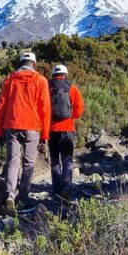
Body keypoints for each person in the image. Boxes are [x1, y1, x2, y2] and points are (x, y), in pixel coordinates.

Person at [0, 51, 51, 215]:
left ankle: (10, 196)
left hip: (12, 125)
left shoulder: (10, 80)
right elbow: (45, 109)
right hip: (32, 127)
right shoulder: (41, 80)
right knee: (29, 164)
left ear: (21, 64)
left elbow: (1, 106)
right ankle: (23, 197)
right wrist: (45, 135)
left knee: (13, 162)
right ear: (34, 64)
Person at [48, 64, 84, 202]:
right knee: (67, 159)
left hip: (52, 130)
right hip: (68, 129)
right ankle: (67, 188)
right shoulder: (72, 88)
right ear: (65, 75)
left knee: (55, 161)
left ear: (53, 75)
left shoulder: (47, 88)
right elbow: (79, 109)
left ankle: (56, 191)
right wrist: (71, 117)